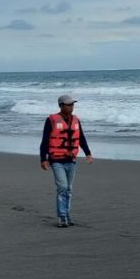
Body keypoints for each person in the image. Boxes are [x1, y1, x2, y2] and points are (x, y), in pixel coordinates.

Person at [39, 94, 93, 228]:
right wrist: (43, 159)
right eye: (68, 105)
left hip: (71, 160)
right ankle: (62, 217)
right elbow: (45, 141)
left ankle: (67, 215)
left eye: (72, 104)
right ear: (61, 106)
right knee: (62, 187)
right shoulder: (51, 120)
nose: (71, 107)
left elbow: (81, 137)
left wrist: (88, 153)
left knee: (68, 189)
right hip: (56, 160)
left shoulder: (75, 120)